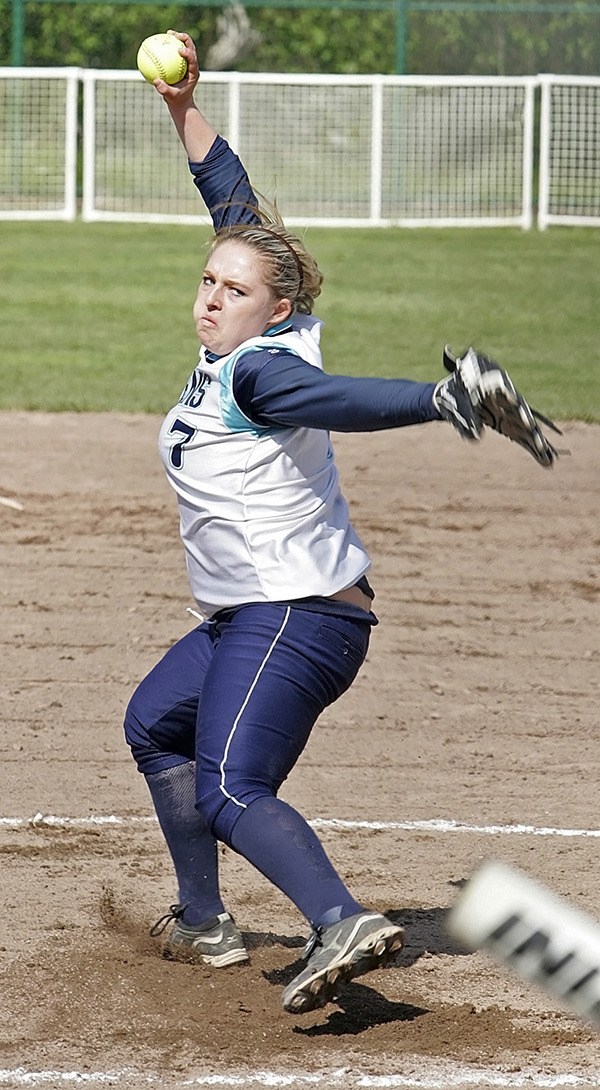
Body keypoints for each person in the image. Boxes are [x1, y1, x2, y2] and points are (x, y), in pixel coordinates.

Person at [124, 31, 559, 1016]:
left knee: (233, 787)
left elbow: (346, 400)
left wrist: (438, 400)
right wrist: (180, 104)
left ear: (274, 310)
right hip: (256, 613)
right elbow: (231, 200)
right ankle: (205, 920)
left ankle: (339, 917)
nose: (212, 296)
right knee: (155, 722)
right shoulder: (253, 315)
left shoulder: (264, 367)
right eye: (207, 280)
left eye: (232, 290)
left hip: (296, 615)